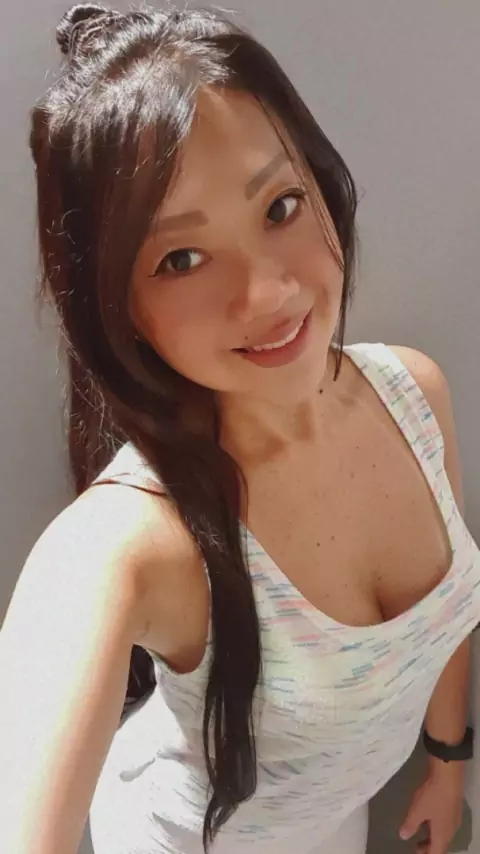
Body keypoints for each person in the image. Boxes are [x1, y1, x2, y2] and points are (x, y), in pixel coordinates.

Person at [0, 3, 478, 853]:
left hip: (334, 825)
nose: (268, 293)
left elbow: (444, 623)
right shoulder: (129, 542)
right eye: (181, 259)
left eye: (281, 206)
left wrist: (447, 760)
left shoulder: (414, 393)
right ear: (119, 310)